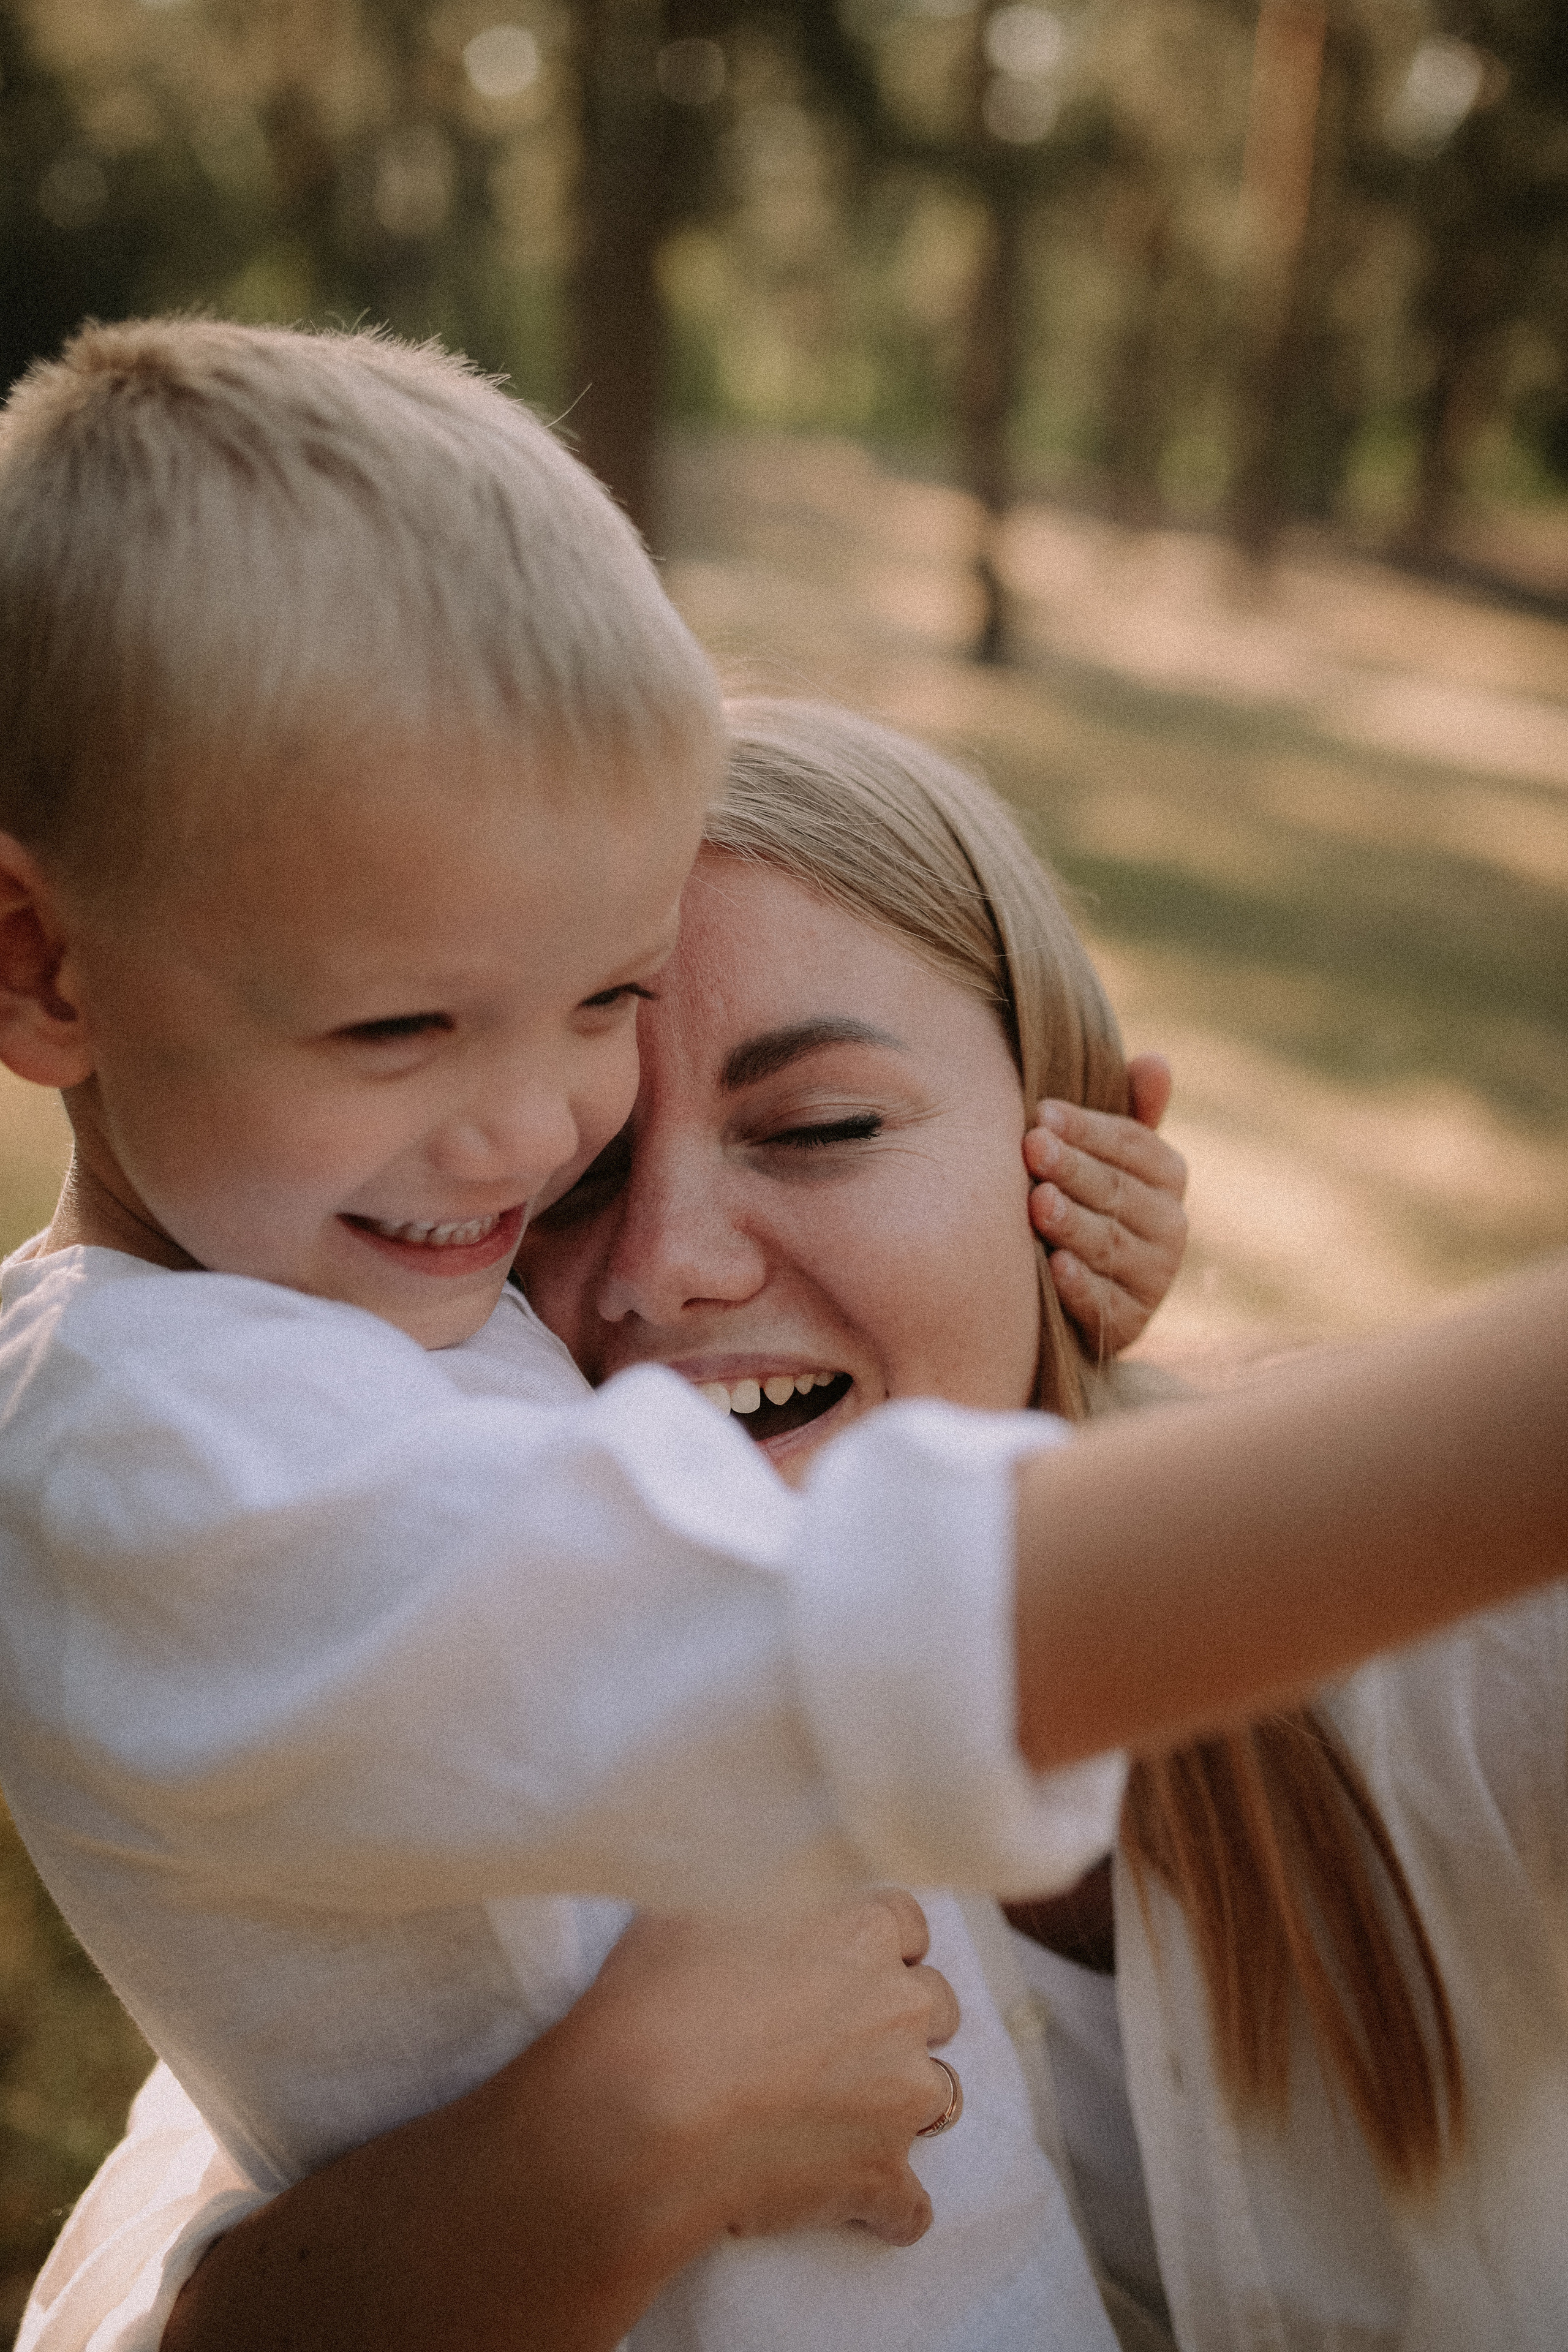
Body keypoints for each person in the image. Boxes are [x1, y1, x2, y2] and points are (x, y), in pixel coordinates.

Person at [25, 702, 1568, 2352]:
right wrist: (601, 2146)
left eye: (822, 1130)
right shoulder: (501, 1755)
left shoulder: (1458, 1654)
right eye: (572, 1183)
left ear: (1083, 1154)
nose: (668, 1262)